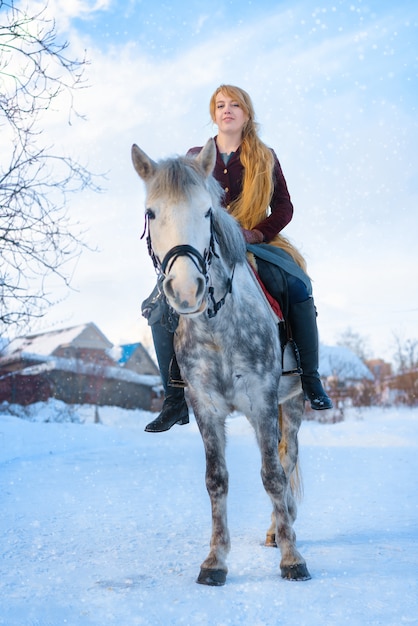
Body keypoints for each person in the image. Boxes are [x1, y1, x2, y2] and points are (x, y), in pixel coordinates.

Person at [143, 84, 332, 433]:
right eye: (220, 105)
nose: (226, 110)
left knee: (295, 284)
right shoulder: (194, 156)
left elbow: (285, 206)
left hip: (255, 242)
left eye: (234, 105)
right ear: (213, 114)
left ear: (246, 113)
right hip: (207, 246)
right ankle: (174, 398)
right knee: (158, 306)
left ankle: (310, 378)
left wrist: (258, 233)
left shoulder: (265, 156)